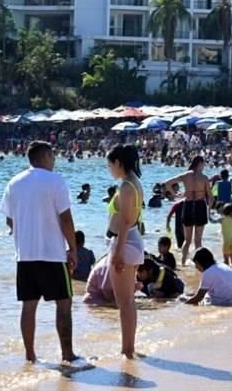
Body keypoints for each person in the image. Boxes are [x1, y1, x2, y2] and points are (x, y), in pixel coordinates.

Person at [0, 141, 78, 364]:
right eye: (52, 156)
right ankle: (67, 354)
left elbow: (8, 219)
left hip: (25, 255)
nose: (54, 161)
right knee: (64, 302)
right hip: (52, 254)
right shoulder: (56, 180)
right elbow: (65, 218)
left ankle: (30, 355)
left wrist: (24, 233)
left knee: (29, 305)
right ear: (45, 156)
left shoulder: (14, 182)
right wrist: (73, 249)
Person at [104, 144, 144, 359]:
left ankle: (127, 349)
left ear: (118, 163)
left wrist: (118, 253)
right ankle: (129, 346)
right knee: (128, 300)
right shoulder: (134, 183)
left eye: (110, 165)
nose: (109, 169)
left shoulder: (127, 187)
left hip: (125, 242)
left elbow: (126, 221)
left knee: (125, 301)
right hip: (131, 240)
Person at [161, 156, 213, 266]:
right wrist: (209, 211)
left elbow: (167, 183)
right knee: (198, 240)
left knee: (187, 240)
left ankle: (183, 264)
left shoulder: (185, 175)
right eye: (203, 164)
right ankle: (199, 265)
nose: (204, 166)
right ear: (200, 163)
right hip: (200, 205)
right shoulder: (204, 178)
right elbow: (210, 197)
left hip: (188, 205)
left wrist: (176, 195)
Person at [220, 203, 232, 267]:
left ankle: (226, 267)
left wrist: (209, 214)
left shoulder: (222, 219)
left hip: (226, 241)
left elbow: (213, 221)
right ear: (231, 212)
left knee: (225, 256)